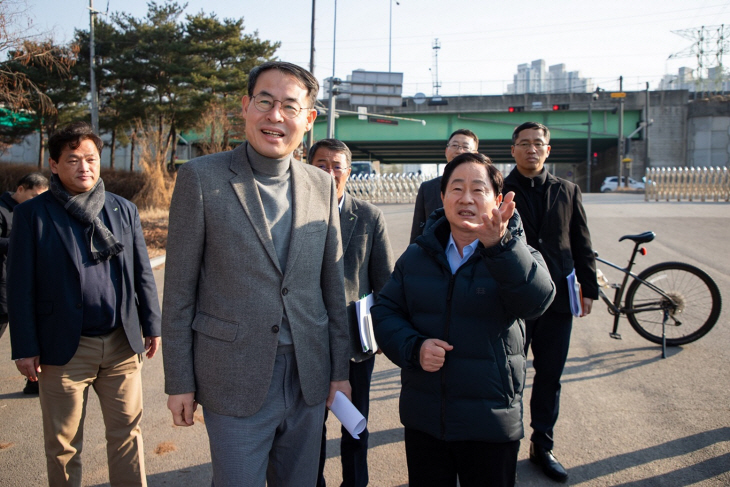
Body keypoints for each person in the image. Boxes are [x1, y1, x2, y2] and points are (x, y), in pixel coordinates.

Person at [162, 61, 351, 487]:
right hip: (233, 375)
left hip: (307, 375)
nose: (275, 116)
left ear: (308, 118)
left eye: (289, 106)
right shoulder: (200, 179)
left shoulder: (321, 185)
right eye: (265, 102)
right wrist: (179, 381)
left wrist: (339, 373)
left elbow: (332, 290)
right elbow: (178, 292)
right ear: (246, 106)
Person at [372, 152, 555, 487]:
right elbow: (385, 311)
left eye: (478, 189)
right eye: (456, 188)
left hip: (490, 423)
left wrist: (498, 247)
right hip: (426, 420)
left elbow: (536, 302)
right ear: (442, 197)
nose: (466, 198)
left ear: (497, 200)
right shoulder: (418, 255)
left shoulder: (516, 251)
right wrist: (414, 348)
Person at [8, 122, 162, 486]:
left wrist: (151, 324)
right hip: (63, 348)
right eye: (73, 160)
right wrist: (25, 346)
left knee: (127, 434)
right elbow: (20, 286)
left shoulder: (122, 209)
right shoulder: (33, 215)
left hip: (121, 342)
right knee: (63, 444)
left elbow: (142, 272)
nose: (84, 167)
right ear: (54, 164)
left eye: (90, 159)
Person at [504, 121, 598, 483]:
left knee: (550, 376)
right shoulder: (499, 188)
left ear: (547, 150)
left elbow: (581, 242)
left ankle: (542, 445)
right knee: (507, 374)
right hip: (511, 301)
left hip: (557, 300)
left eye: (538, 144)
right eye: (524, 144)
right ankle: (505, 440)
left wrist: (588, 289)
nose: (531, 149)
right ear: (513, 150)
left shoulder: (568, 190)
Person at [310, 139, 395, 487]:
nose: (329, 173)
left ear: (348, 171)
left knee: (354, 423)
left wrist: (383, 334)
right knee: (310, 426)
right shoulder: (290, 212)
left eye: (337, 166)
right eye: (321, 164)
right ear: (306, 165)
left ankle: (355, 482)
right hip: (307, 340)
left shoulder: (369, 216)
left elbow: (385, 283)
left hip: (355, 342)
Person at [0, 172, 49, 394]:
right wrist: (20, 242)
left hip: (29, 287)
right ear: (20, 189)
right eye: (33, 195)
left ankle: (34, 382)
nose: (37, 200)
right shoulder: (2, 210)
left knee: (35, 336)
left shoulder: (36, 211)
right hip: (2, 287)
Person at [409, 129, 478, 243]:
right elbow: (418, 230)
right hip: (433, 253)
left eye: (465, 147)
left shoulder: (484, 189)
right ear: (446, 151)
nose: (459, 151)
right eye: (454, 145)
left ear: (475, 154)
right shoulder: (427, 188)